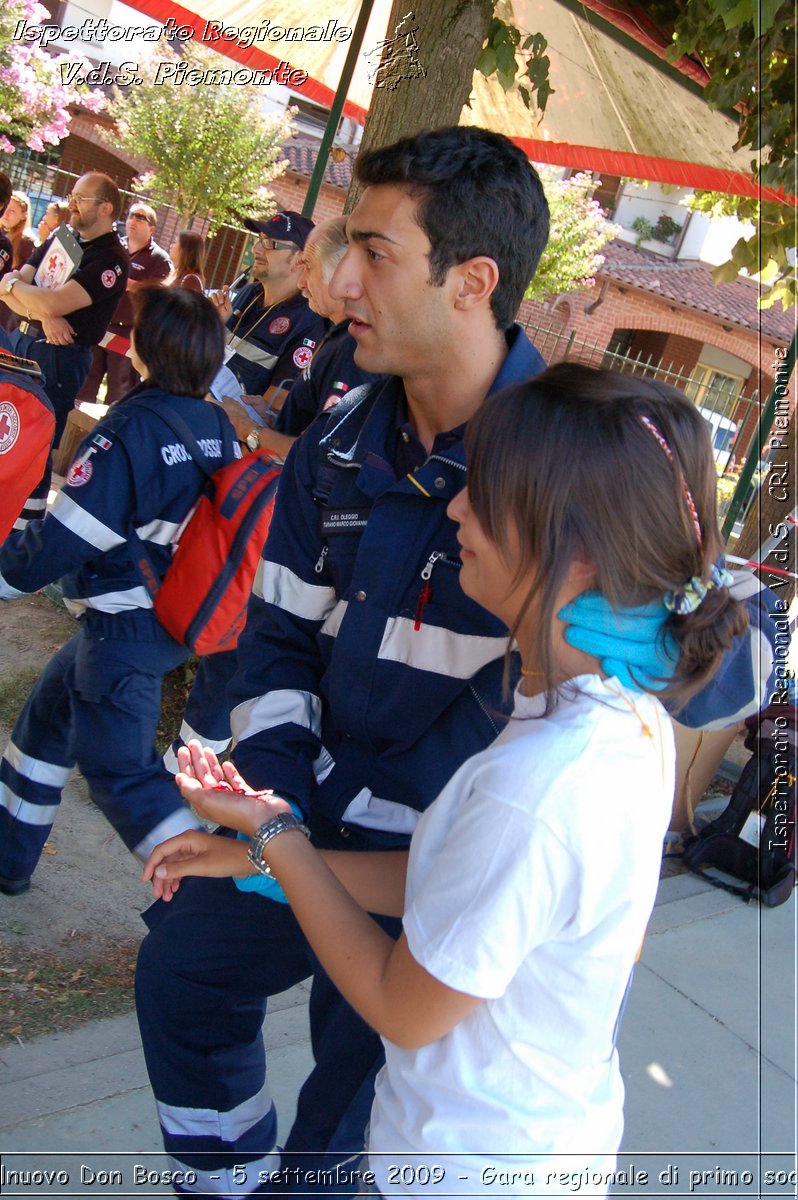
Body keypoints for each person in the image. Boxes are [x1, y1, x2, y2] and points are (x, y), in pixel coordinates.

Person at [134, 127, 773, 1199]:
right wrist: (276, 826)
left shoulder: (568, 467)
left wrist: (664, 579)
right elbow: (279, 640)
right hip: (337, 829)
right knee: (185, 968)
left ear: (473, 281)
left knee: (353, 1121)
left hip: (460, 875)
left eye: (374, 252)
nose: (339, 284)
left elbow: (717, 665)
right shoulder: (337, 446)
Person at [0, 287, 241, 896]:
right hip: (163, 622)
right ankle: (9, 857)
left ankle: (212, 900)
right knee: (45, 729)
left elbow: (64, 538)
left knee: (121, 775)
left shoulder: (130, 430)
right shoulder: (214, 422)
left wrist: (6, 575)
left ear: (145, 350)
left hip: (123, 629)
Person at [219, 216, 379, 459]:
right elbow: (310, 425)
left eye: (309, 267)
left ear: (339, 272)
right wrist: (271, 416)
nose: (302, 281)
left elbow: (323, 456)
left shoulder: (352, 350)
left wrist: (250, 430)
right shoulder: (337, 336)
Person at [0, 173, 129, 447]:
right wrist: (43, 313)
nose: (71, 204)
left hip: (57, 357)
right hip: (20, 340)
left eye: (80, 199)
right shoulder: (63, 238)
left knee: (33, 445)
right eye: (72, 197)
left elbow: (49, 300)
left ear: (106, 208)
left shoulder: (111, 258)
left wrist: (14, 285)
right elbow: (9, 290)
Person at [211, 210, 327, 405]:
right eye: (260, 239)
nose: (256, 249)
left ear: (300, 259)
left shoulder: (308, 320)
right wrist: (212, 326)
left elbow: (274, 407)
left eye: (270, 244)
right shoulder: (249, 293)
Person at [76, 201, 171, 407]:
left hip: (128, 333)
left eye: (140, 217)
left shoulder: (159, 259)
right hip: (101, 324)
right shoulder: (115, 247)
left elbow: (157, 293)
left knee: (119, 390)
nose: (133, 220)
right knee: (87, 383)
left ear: (152, 228)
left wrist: (125, 282)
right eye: (131, 215)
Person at [1, 190, 35, 269]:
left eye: (12, 211)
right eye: (6, 207)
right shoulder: (2, 233)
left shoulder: (26, 243)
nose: (6, 213)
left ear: (23, 215)